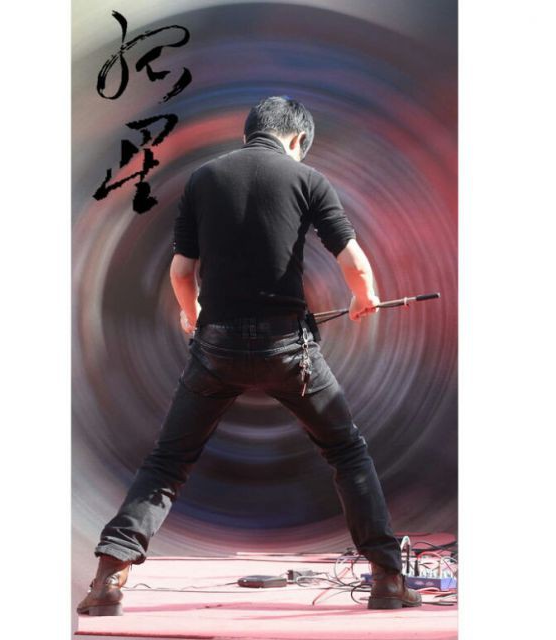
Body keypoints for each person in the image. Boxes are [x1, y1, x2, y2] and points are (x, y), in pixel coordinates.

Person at [77, 96, 421, 615]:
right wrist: (363, 296)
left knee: (168, 462)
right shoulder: (309, 180)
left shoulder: (204, 179)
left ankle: (108, 578)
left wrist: (192, 315)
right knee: (347, 454)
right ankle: (388, 580)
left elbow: (181, 271)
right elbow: (354, 261)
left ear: (248, 134)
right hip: (290, 350)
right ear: (297, 139)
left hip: (216, 347)